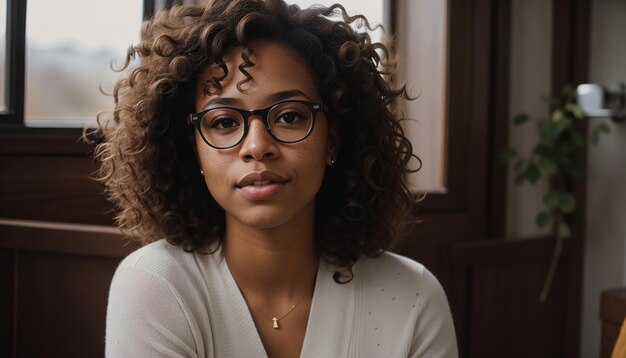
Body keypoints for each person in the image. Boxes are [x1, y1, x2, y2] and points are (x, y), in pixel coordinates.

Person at [97, 0, 457, 357]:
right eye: (224, 122)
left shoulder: (413, 298)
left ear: (332, 138)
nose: (257, 146)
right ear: (194, 150)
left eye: (289, 117)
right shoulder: (156, 285)